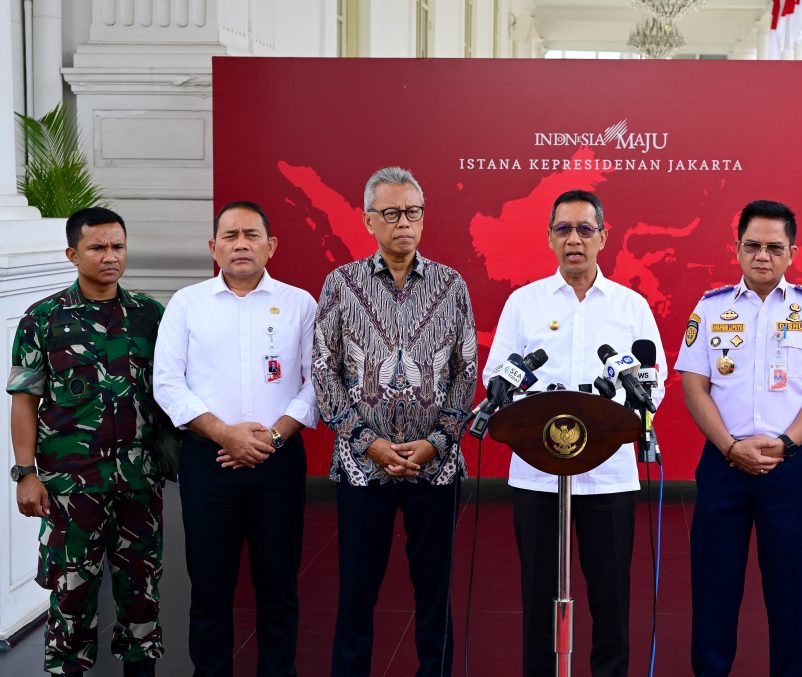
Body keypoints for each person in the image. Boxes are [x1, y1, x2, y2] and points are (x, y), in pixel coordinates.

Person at [484, 188, 666, 677]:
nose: (575, 240)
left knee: (611, 601)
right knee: (538, 595)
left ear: (604, 236)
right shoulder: (524, 302)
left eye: (586, 229)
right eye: (563, 229)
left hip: (609, 476)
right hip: (539, 476)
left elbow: (655, 383)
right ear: (548, 238)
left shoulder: (631, 307)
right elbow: (495, 376)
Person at [313, 166, 477, 677]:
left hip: (436, 468)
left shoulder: (451, 285)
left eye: (412, 213)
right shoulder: (341, 284)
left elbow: (466, 369)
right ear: (369, 221)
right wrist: (368, 443)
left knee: (435, 593)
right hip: (364, 469)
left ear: (423, 220)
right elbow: (323, 370)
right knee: (357, 594)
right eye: (391, 213)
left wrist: (436, 441)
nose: (403, 222)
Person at [675, 199, 802, 677]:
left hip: (788, 467)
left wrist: (787, 444)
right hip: (723, 465)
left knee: (791, 592)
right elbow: (694, 387)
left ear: (792, 252)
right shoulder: (710, 308)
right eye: (752, 245)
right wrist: (731, 446)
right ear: (737, 249)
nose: (763, 256)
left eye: (775, 247)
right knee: (714, 588)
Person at [153, 200, 317, 677]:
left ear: (272, 245)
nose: (240, 243)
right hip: (208, 463)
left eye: (251, 234)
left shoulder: (299, 303)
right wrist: (226, 434)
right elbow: (167, 382)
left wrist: (274, 438)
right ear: (213, 247)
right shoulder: (187, 303)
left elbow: (317, 382)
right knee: (208, 590)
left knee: (279, 589)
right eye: (230, 235)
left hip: (279, 461)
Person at [8, 207, 165, 676]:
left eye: (118, 246)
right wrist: (25, 474)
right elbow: (24, 403)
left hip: (139, 485)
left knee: (142, 597)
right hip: (70, 490)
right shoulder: (43, 319)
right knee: (71, 601)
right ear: (73, 254)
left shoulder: (150, 316)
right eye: (98, 247)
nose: (110, 256)